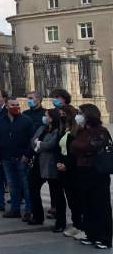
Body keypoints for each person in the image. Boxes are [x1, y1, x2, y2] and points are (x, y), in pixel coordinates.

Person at [71, 104, 112, 249]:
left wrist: (78, 145)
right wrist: (78, 145)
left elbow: (91, 146)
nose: (78, 116)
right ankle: (91, 234)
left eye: (80, 113)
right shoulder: (81, 131)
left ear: (88, 115)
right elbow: (74, 147)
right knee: (87, 204)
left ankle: (104, 237)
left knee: (100, 205)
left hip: (97, 172)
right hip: (83, 170)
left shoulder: (101, 131)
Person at [0, 97, 33, 221]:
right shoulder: (0, 121)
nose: (15, 107)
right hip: (6, 158)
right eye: (12, 105)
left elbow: (31, 140)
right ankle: (15, 209)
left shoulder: (26, 120)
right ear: (7, 106)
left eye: (17, 104)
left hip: (22, 158)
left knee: (25, 185)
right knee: (12, 184)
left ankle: (29, 210)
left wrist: (27, 155)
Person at [27, 108, 62, 227]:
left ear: (52, 118)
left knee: (56, 191)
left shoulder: (57, 131)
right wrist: (38, 144)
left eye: (46, 115)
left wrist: (39, 144)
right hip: (38, 163)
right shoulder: (42, 128)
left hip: (51, 164)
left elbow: (51, 144)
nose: (44, 117)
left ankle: (59, 217)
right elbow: (33, 140)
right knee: (32, 187)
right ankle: (37, 216)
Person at [56, 105, 84, 239]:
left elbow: (76, 152)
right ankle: (76, 224)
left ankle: (81, 226)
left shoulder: (77, 131)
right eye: (60, 113)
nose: (61, 116)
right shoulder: (62, 129)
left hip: (73, 169)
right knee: (71, 200)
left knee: (77, 199)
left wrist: (66, 165)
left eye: (63, 113)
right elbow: (60, 149)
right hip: (63, 169)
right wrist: (59, 163)